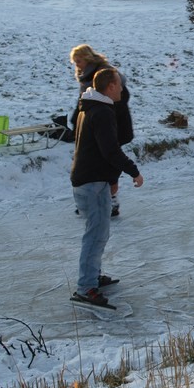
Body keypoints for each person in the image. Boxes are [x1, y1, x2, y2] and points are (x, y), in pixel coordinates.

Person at [71, 68, 143, 307]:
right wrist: (133, 170)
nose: (122, 89)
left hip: (90, 180)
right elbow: (110, 150)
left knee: (98, 233)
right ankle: (86, 287)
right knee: (95, 235)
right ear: (110, 87)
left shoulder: (90, 107)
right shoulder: (101, 112)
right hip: (92, 183)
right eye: (119, 85)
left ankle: (92, 277)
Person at [70, 44, 134, 215]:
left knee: (110, 161)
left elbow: (122, 95)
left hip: (112, 124)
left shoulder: (104, 72)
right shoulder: (86, 75)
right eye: (74, 62)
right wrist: (77, 117)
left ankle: (112, 201)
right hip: (99, 123)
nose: (77, 65)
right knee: (98, 161)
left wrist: (109, 118)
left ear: (88, 58)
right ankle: (94, 198)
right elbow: (85, 98)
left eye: (79, 61)